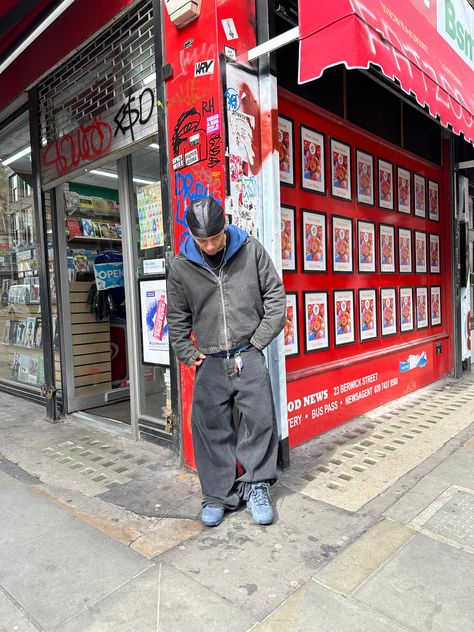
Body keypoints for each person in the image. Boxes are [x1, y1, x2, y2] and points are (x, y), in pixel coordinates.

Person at [167, 196, 286, 528]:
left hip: (247, 353)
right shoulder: (181, 267)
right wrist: (188, 354)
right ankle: (217, 496)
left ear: (225, 227)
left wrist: (258, 341)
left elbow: (275, 297)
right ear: (192, 236)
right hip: (211, 358)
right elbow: (177, 318)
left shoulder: (250, 250)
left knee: (260, 420)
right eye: (202, 240)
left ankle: (257, 485)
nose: (209, 245)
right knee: (209, 427)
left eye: (215, 238)